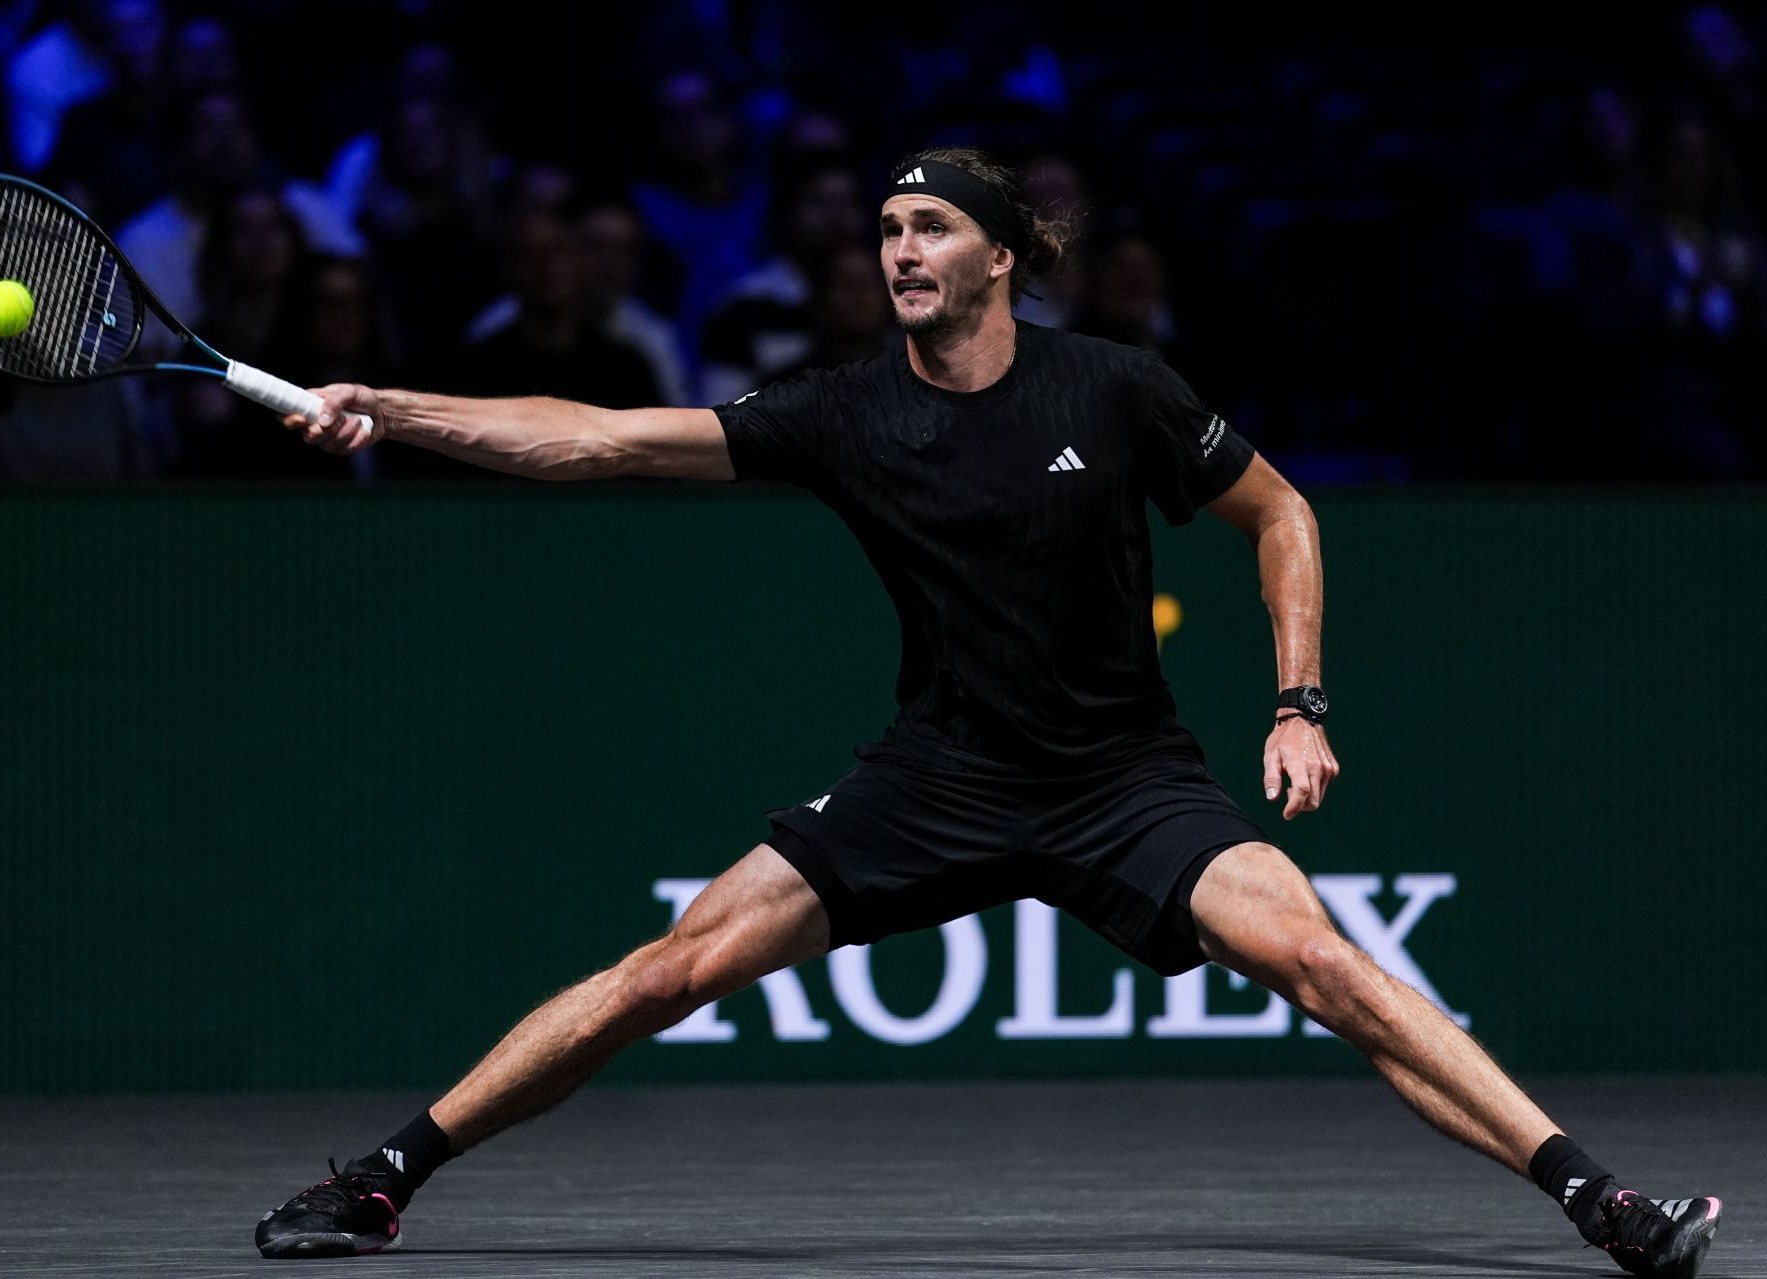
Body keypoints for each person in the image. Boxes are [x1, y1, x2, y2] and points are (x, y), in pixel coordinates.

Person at [252, 146, 1721, 1277]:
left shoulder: (1118, 388)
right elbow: (602, 443)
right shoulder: (840, 411)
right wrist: (392, 406)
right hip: (936, 776)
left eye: (930, 226)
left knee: (1325, 963)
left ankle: (1604, 1203)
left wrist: (1298, 700)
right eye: (886, 229)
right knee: (667, 972)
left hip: (1123, 778)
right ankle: (384, 1176)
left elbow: (1280, 514)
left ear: (1002, 257)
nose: (898, 248)